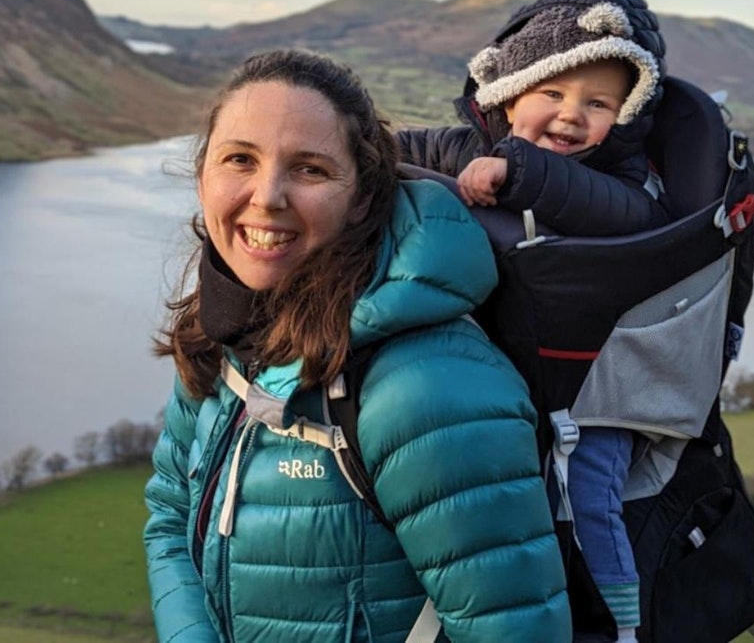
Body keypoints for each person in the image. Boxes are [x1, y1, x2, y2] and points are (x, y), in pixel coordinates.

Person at [144, 48, 571, 642]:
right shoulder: (226, 332)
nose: (267, 196)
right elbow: (169, 515)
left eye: (310, 170)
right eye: (239, 159)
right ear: (203, 176)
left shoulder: (428, 388)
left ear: (364, 197)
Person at [395, 0, 673, 643]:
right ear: (510, 94)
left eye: (597, 103)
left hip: (599, 389)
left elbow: (622, 214)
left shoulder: (626, 180)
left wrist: (520, 169)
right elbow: (394, 147)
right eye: (552, 93)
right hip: (508, 372)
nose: (571, 115)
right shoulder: (467, 147)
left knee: (588, 495)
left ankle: (618, 626)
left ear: (625, 117)